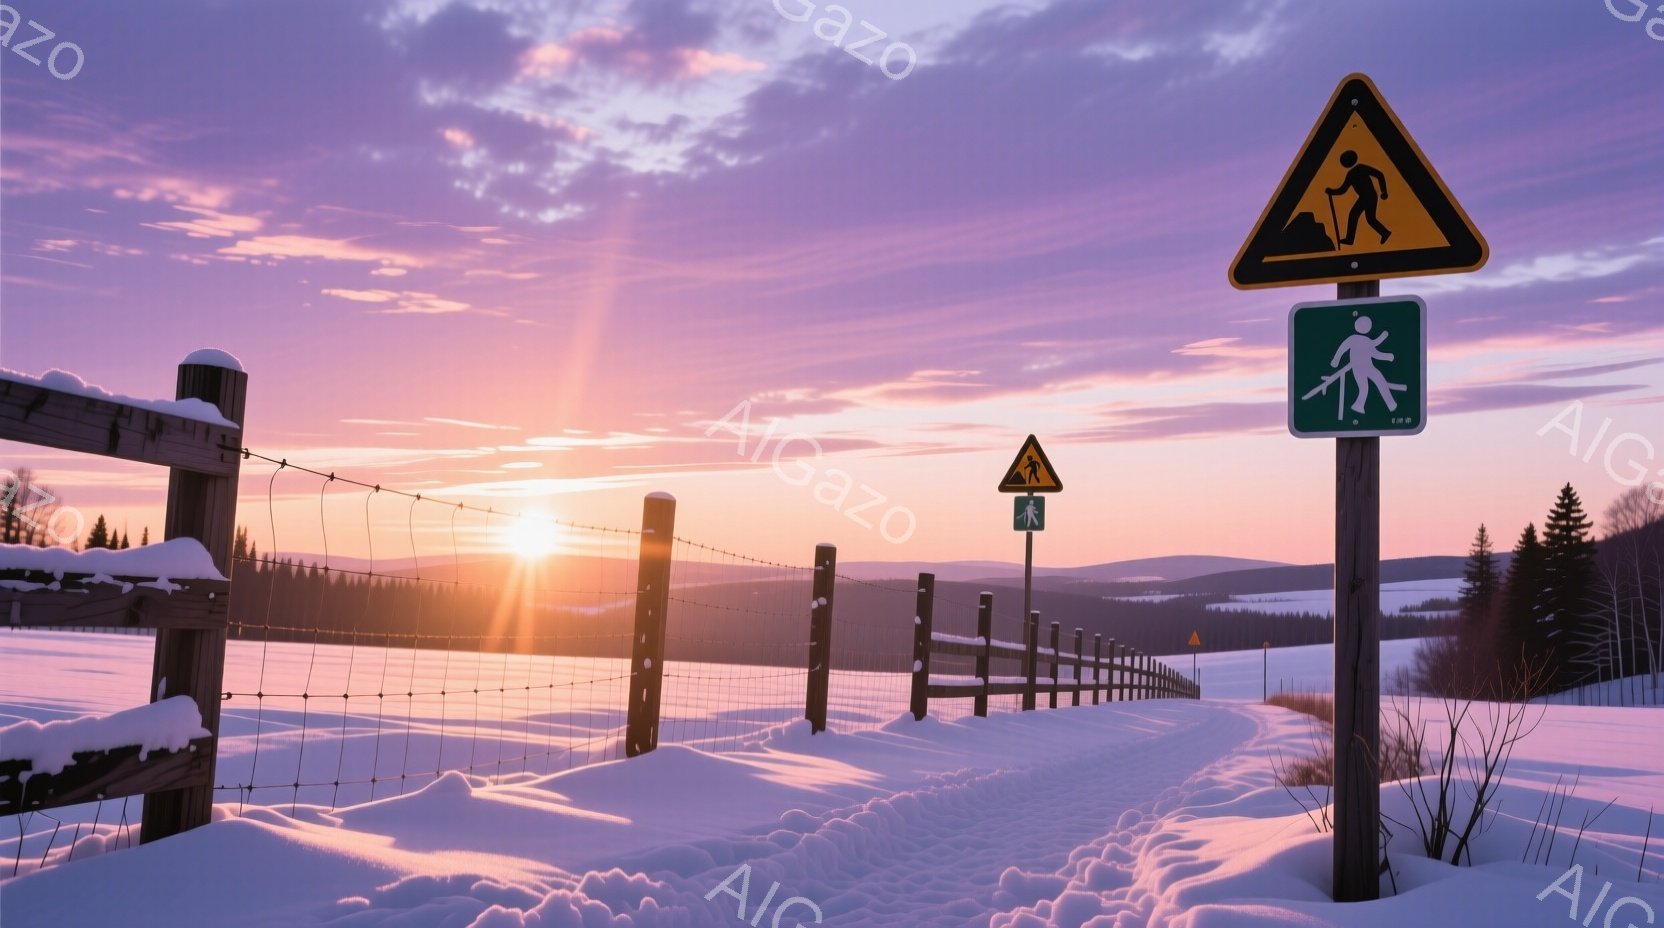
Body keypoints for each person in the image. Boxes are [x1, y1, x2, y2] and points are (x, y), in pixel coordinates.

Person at [1328, 316, 1405, 413]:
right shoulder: (1353, 339)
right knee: (1364, 388)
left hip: (1369, 368)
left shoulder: (1368, 341)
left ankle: (1391, 404)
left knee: (1380, 382)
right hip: (1358, 368)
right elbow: (1342, 348)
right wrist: (1336, 359)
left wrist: (1387, 355)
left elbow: (1375, 352)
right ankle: (1359, 405)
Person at [1325, 150, 1391, 246]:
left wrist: (1384, 191)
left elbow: (1379, 175)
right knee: (1361, 217)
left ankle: (1384, 233)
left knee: (1366, 218)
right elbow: (1343, 189)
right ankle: (1383, 233)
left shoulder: (1361, 168)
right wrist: (1332, 191)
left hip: (1369, 196)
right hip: (1365, 197)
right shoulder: (1351, 174)